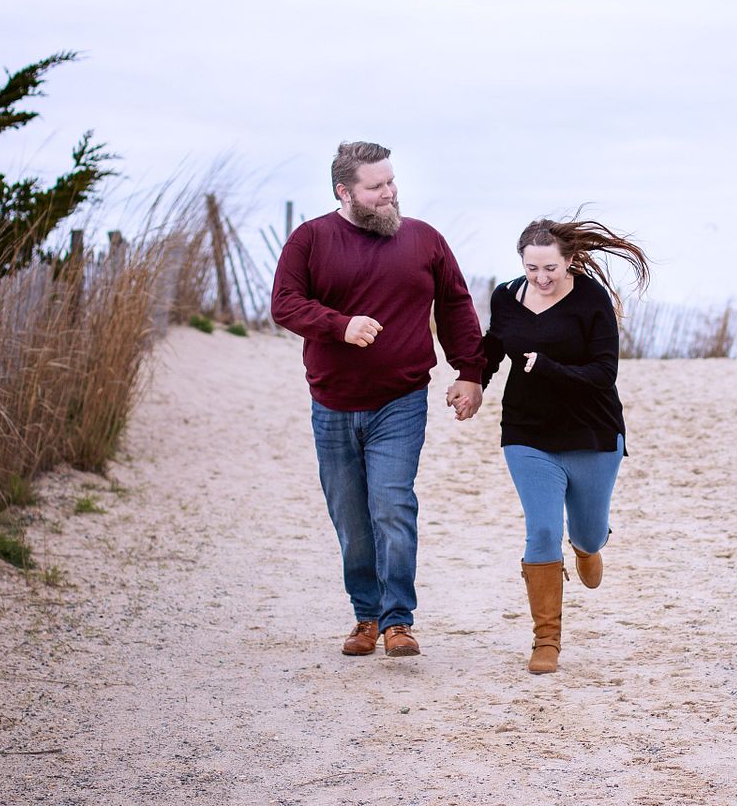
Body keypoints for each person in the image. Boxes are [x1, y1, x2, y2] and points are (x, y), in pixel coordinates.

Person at [272, 141, 484, 659]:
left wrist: (470, 371)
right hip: (333, 404)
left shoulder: (423, 239)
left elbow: (456, 303)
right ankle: (364, 616)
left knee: (392, 505)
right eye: (376, 186)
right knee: (351, 517)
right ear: (345, 191)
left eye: (391, 181)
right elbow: (285, 304)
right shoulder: (311, 239)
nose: (389, 193)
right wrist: (340, 326)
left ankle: (397, 621)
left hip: (401, 399)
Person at [461, 216, 649, 674]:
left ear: (569, 262)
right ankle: (546, 641)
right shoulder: (506, 297)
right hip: (527, 434)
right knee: (542, 530)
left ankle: (589, 546)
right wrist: (473, 381)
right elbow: (493, 347)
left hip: (591, 433)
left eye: (551, 269)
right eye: (532, 269)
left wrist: (546, 368)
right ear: (521, 263)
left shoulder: (591, 300)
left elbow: (604, 374)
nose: (541, 279)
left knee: (585, 531)